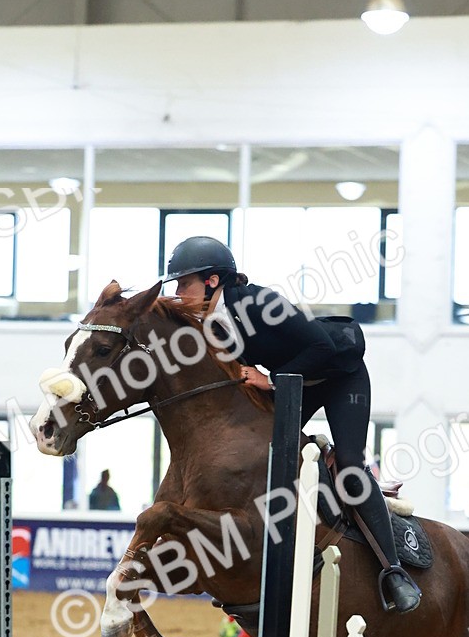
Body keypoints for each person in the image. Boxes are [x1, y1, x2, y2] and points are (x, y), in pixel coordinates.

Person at [162, 235, 421, 613]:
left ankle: (394, 572)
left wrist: (270, 380)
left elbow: (321, 348)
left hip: (338, 374)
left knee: (349, 463)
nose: (178, 292)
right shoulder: (213, 325)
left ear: (212, 281)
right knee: (259, 448)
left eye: (183, 283)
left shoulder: (258, 302)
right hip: (294, 380)